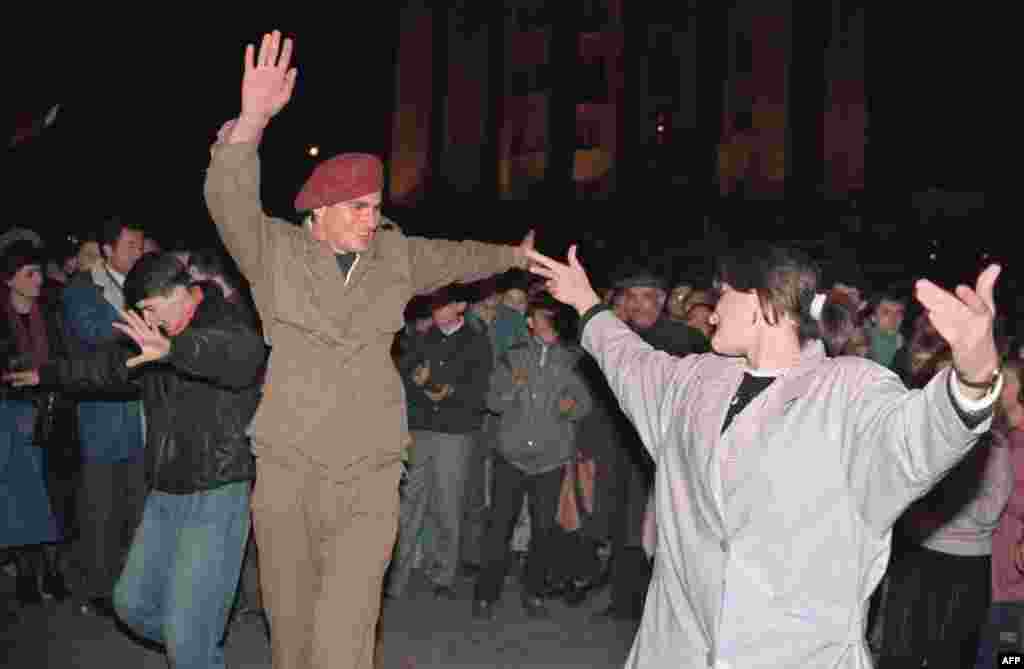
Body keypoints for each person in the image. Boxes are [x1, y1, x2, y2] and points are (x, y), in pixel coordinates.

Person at [205, 30, 535, 669]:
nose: (369, 216)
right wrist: (251, 120)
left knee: (348, 627)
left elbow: (459, 259)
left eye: (375, 206)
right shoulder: (273, 253)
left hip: (371, 466)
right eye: (355, 207)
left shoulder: (395, 257)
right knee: (292, 622)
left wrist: (516, 257)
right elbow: (227, 201)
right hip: (289, 463)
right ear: (317, 214)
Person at [527, 242, 1003, 668]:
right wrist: (587, 305)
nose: (711, 314)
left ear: (762, 304)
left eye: (723, 299)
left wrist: (974, 378)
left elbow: (916, 439)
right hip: (677, 650)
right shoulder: (693, 381)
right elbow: (627, 360)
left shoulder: (849, 393)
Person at [5, 253, 266, 669]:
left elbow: (239, 358)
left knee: (187, 638)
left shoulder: (226, 319)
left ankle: (194, 645)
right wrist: (46, 374)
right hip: (165, 490)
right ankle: (197, 646)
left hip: (217, 490)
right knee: (132, 605)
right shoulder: (155, 336)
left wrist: (174, 349)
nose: (148, 322)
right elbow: (103, 367)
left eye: (149, 310)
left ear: (181, 294)